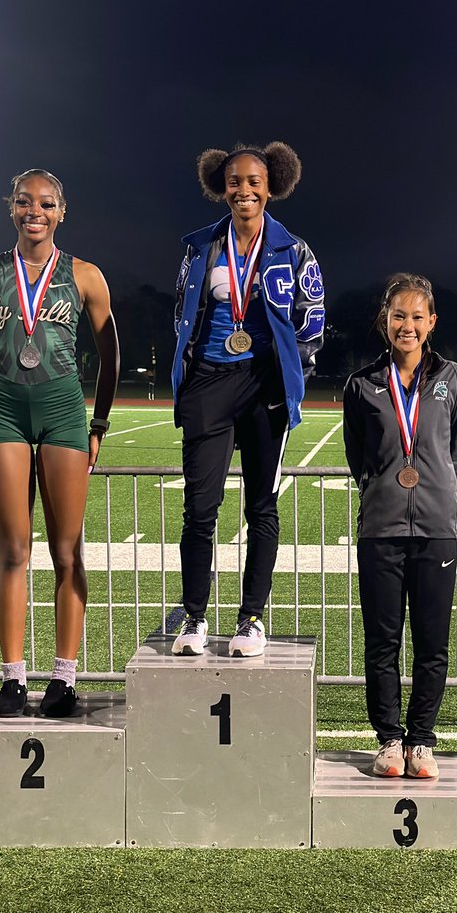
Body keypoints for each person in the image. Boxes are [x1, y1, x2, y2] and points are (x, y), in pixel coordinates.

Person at [0, 169, 120, 718]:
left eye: (46, 203)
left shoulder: (84, 275)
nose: (35, 210)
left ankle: (64, 676)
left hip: (62, 414)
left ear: (62, 212)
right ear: (11, 207)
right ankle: (12, 679)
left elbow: (110, 355)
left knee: (66, 551)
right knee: (13, 550)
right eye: (24, 201)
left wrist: (97, 424)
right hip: (3, 411)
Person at [171, 142, 324, 657]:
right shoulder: (200, 248)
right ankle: (194, 618)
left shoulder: (295, 250)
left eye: (254, 182)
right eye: (234, 181)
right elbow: (181, 316)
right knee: (200, 508)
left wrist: (289, 376)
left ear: (272, 184)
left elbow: (312, 322)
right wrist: (193, 376)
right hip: (211, 379)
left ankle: (251, 620)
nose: (244, 191)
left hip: (264, 386)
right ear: (221, 186)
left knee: (262, 507)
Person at [343, 274, 457, 780]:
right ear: (386, 320)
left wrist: (432, 486)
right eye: (399, 315)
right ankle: (389, 739)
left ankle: (421, 740)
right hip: (381, 527)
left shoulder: (452, 378)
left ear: (432, 322)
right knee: (382, 640)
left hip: (437, 527)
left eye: (418, 316)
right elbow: (359, 455)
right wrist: (386, 489)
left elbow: (456, 451)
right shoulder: (364, 383)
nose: (408, 325)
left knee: (432, 643)